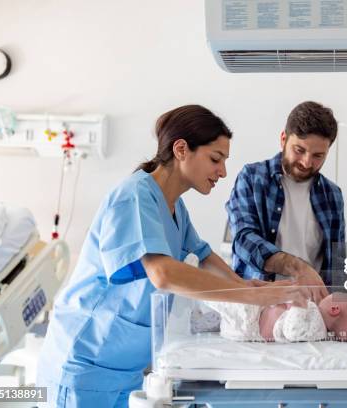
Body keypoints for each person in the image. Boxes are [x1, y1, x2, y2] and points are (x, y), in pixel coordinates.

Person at [36, 105, 308, 408]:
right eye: (215, 159)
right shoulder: (134, 196)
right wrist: (247, 296)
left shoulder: (175, 207)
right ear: (181, 149)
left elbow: (204, 256)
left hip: (123, 369)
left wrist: (250, 287)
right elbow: (163, 274)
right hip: (83, 364)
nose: (223, 171)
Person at [226, 101, 345, 303]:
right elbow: (244, 241)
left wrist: (341, 307)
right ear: (283, 139)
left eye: (318, 155)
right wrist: (299, 268)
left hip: (313, 310)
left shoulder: (333, 194)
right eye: (299, 150)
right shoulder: (252, 178)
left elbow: (338, 266)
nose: (307, 162)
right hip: (260, 306)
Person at [206, 293, 347, 343]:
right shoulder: (316, 320)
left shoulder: (317, 327)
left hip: (249, 324)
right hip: (254, 316)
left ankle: (197, 288)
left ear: (335, 309)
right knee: (225, 313)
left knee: (226, 300)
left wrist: (298, 302)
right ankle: (203, 320)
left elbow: (291, 330)